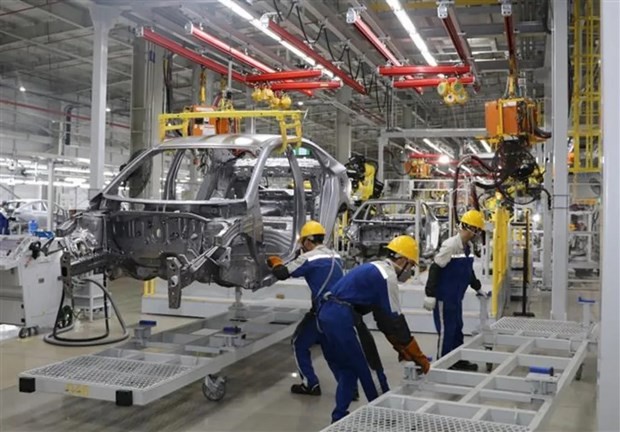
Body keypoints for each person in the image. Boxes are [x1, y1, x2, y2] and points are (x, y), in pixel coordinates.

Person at [318, 235, 431, 423]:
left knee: (348, 369)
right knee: (372, 369)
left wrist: (400, 347)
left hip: (327, 315)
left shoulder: (374, 268)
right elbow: (396, 321)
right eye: (411, 265)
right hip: (344, 317)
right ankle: (386, 419)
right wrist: (417, 355)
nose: (410, 271)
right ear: (401, 260)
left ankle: (338, 418)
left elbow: (382, 319)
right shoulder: (388, 276)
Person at [267, 220, 344, 396]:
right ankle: (348, 386)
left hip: (321, 312)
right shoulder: (335, 255)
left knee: (298, 343)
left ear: (308, 241)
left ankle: (311, 384)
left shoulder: (309, 258)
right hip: (339, 311)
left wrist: (275, 262)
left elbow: (283, 273)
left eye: (302, 243)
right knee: (329, 348)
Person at [423, 209, 487, 371]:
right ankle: (442, 365)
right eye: (477, 231)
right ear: (471, 229)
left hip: (457, 298)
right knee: (446, 331)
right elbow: (435, 268)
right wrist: (430, 294)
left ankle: (457, 359)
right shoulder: (451, 245)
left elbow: (468, 271)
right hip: (444, 298)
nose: (478, 235)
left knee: (457, 328)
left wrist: (478, 287)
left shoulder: (468, 247)